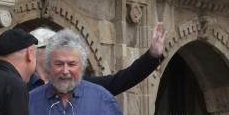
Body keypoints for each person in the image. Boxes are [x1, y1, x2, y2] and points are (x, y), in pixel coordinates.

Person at [29, 23, 166, 95]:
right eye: (50, 46)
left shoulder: (80, 84)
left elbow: (120, 81)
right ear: (34, 51)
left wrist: (152, 56)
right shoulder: (21, 87)